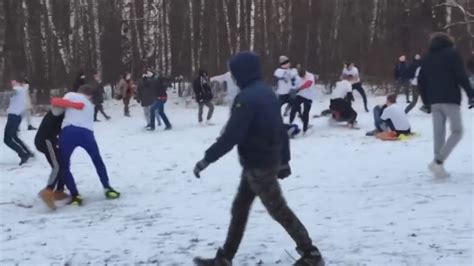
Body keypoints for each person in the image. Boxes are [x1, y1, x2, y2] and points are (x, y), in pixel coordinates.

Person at [192, 51, 324, 266]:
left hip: (259, 166)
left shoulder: (246, 99)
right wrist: (284, 160)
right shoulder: (266, 93)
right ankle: (225, 257)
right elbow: (280, 130)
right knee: (240, 209)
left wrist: (207, 159)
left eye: (234, 72)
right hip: (260, 162)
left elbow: (231, 136)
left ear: (242, 72)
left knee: (278, 210)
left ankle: (311, 253)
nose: (233, 77)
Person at [418, 32, 474, 178]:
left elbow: (421, 81)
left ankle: (438, 167)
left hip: (434, 101)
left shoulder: (427, 58)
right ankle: (438, 161)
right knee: (457, 131)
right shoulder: (452, 54)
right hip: (450, 98)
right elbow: (460, 75)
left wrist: (426, 102)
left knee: (439, 134)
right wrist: (470, 94)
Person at [55, 84, 120, 205]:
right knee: (97, 160)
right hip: (87, 133)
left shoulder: (70, 95)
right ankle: (107, 188)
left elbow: (58, 104)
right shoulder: (90, 106)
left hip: (69, 131)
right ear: (90, 95)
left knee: (64, 164)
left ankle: (75, 195)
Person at [36, 99, 85, 210]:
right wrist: (76, 104)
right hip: (45, 140)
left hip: (51, 140)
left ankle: (59, 190)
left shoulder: (68, 112)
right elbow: (55, 101)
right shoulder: (59, 108)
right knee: (57, 166)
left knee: (63, 164)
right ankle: (48, 190)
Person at [4, 78, 34, 165]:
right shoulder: (23, 91)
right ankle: (27, 152)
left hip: (14, 116)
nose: (12, 83)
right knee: (14, 137)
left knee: (7, 139)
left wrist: (14, 86)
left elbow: (13, 91)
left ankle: (23, 154)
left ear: (20, 83)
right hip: (16, 116)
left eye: (15, 82)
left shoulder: (19, 90)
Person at [289, 66, 316, 133]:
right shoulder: (298, 77)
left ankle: (305, 129)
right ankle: (290, 123)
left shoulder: (310, 76)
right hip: (300, 95)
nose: (302, 78)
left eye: (303, 76)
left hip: (309, 96)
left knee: (306, 112)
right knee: (294, 108)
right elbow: (294, 85)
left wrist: (299, 88)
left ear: (305, 73)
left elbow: (308, 84)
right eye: (300, 76)